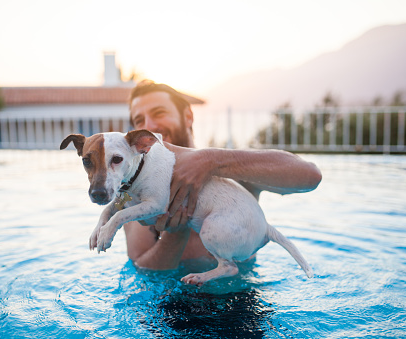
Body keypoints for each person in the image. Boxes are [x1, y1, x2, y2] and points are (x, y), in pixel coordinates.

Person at [124, 80, 322, 270]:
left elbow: (310, 175)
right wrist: (175, 236)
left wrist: (211, 160)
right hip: (172, 302)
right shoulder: (135, 195)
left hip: (243, 298)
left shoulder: (231, 170)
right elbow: (142, 270)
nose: (148, 126)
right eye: (139, 120)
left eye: (159, 113)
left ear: (188, 116)